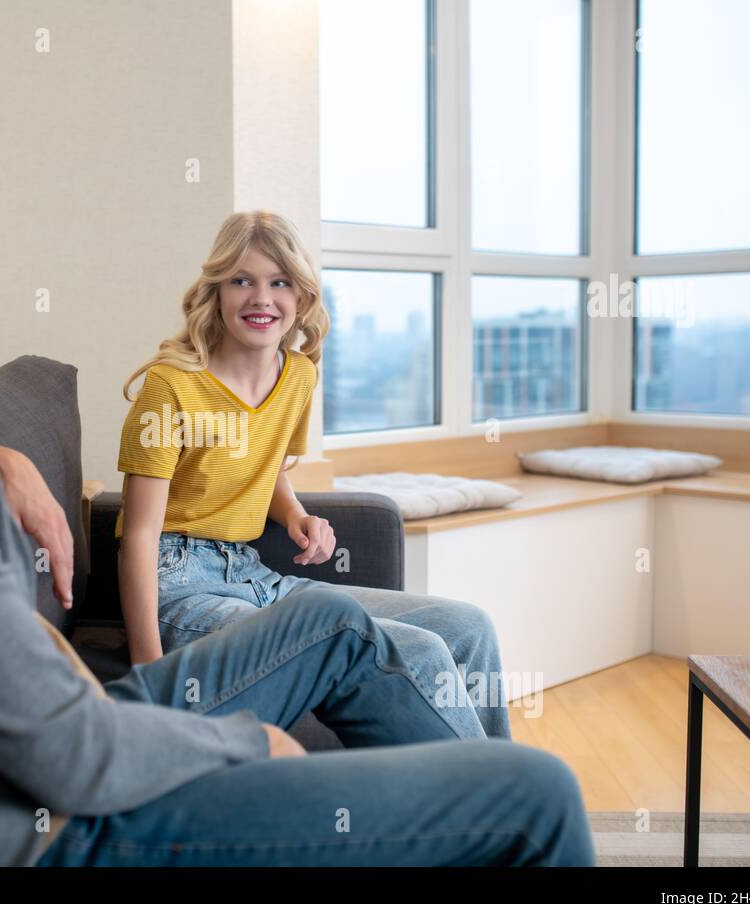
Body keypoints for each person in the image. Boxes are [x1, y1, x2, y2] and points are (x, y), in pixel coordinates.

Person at [0, 55, 594, 866]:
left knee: (346, 623)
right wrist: (248, 745)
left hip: (53, 746)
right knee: (539, 796)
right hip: (41, 823)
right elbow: (68, 752)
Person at [115, 210, 509, 740]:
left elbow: (267, 465)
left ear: (301, 297)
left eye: (279, 282)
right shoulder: (171, 387)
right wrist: (149, 678)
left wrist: (297, 514)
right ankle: (490, 807)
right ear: (217, 292)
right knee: (419, 650)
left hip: (255, 578)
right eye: (241, 281)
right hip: (180, 586)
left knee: (466, 628)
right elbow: (138, 537)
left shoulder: (297, 375)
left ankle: (499, 787)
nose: (261, 298)